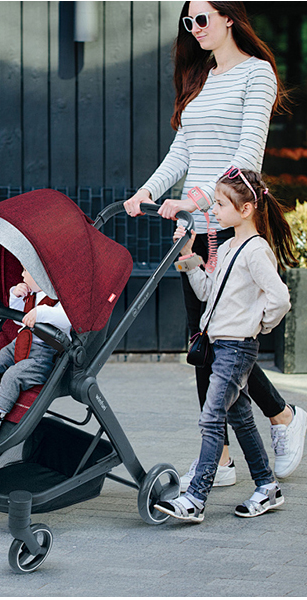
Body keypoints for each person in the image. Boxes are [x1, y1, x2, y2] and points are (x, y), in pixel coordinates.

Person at [122, 1, 304, 485]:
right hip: (194, 228)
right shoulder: (199, 78)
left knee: (227, 340)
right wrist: (148, 192)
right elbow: (182, 150)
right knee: (204, 341)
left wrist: (197, 199)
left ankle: (283, 417)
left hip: (230, 224)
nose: (195, 28)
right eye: (189, 21)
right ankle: (221, 457)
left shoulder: (257, 74)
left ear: (228, 18)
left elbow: (247, 158)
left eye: (202, 18)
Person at [156, 168, 295, 522]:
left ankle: (196, 498)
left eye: (220, 204)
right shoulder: (230, 245)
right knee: (241, 418)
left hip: (236, 347)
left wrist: (256, 326)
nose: (214, 210)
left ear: (246, 208)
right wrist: (188, 256)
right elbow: (208, 294)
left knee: (211, 416)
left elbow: (280, 298)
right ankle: (267, 486)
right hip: (220, 345)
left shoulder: (255, 250)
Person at [0, 268, 72, 439]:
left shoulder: (61, 299)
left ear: (41, 276)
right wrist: (15, 296)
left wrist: (41, 312)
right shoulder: (32, 293)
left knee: (13, 375)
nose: (22, 275)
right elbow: (19, 319)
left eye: (26, 270)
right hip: (18, 344)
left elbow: (67, 319)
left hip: (42, 354)